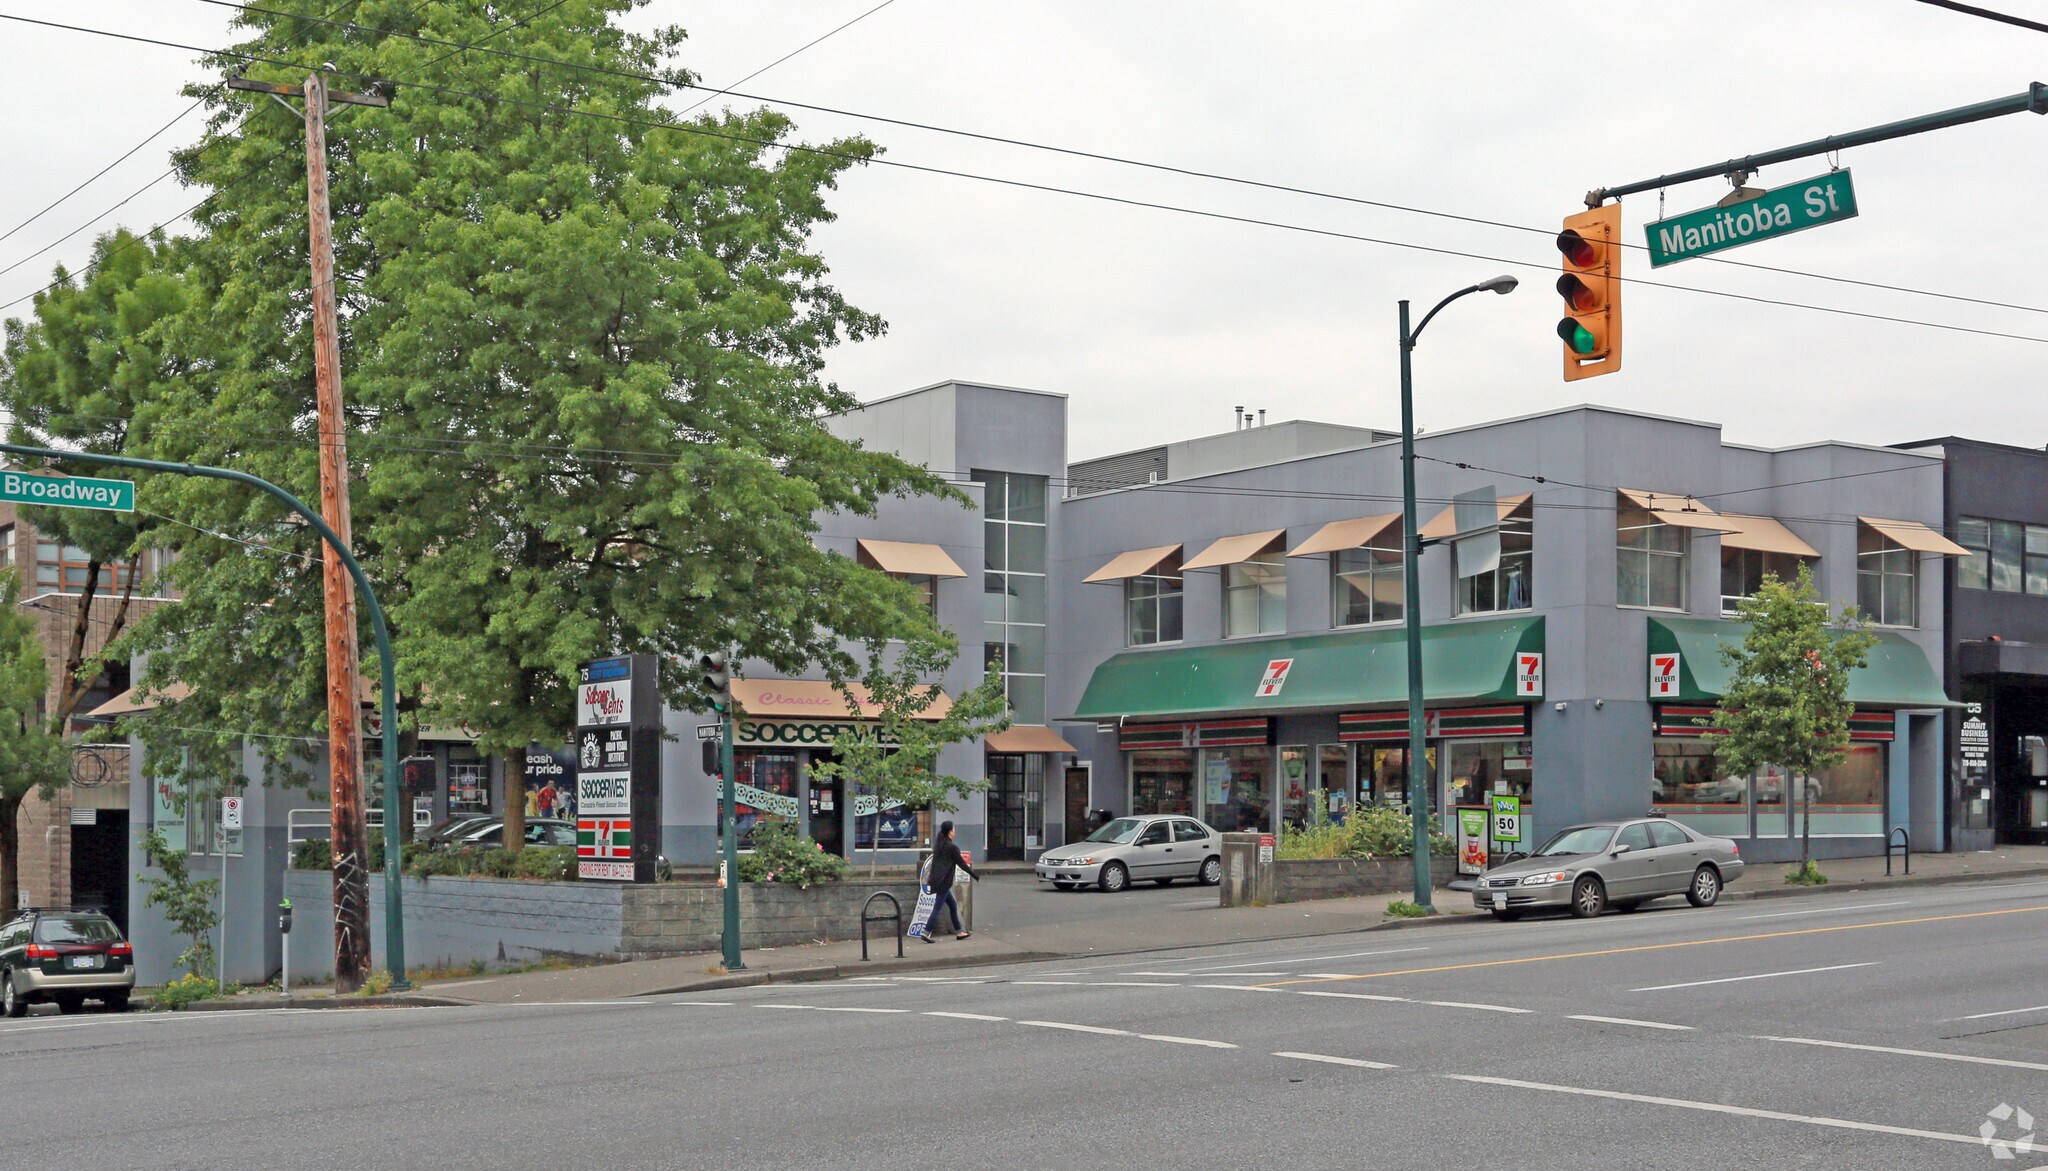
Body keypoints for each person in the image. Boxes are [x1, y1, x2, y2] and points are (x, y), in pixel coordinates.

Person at [922, 820, 979, 942]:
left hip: (938, 880)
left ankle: (960, 932)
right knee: (937, 908)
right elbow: (962, 864)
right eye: (953, 829)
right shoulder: (952, 847)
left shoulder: (939, 844)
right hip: (943, 882)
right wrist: (974, 875)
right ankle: (926, 932)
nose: (955, 831)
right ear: (949, 832)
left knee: (953, 906)